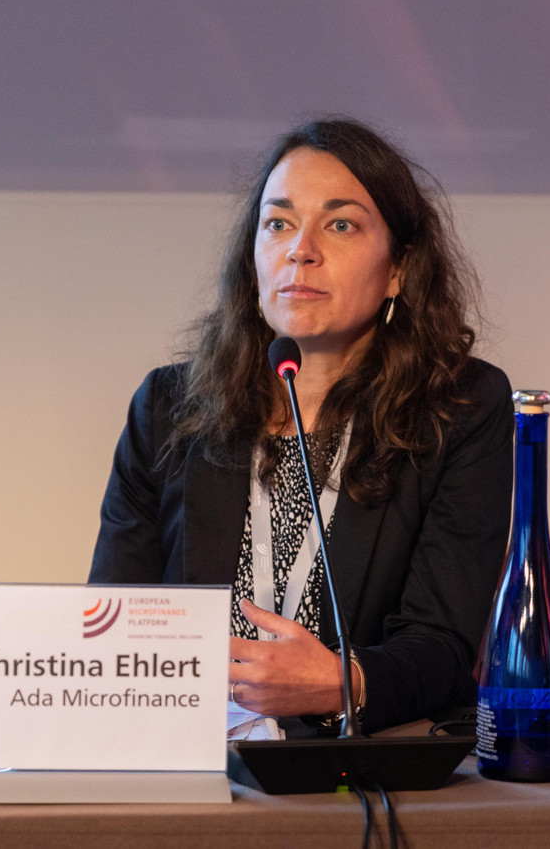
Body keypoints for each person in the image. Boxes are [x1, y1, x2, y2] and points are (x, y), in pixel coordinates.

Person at [90, 117, 512, 734]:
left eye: (340, 224)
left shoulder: (460, 407)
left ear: (399, 268)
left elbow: (445, 647)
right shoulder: (169, 408)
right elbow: (114, 627)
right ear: (254, 258)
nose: (300, 249)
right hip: (191, 764)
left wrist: (345, 683)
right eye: (278, 223)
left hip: (362, 774)